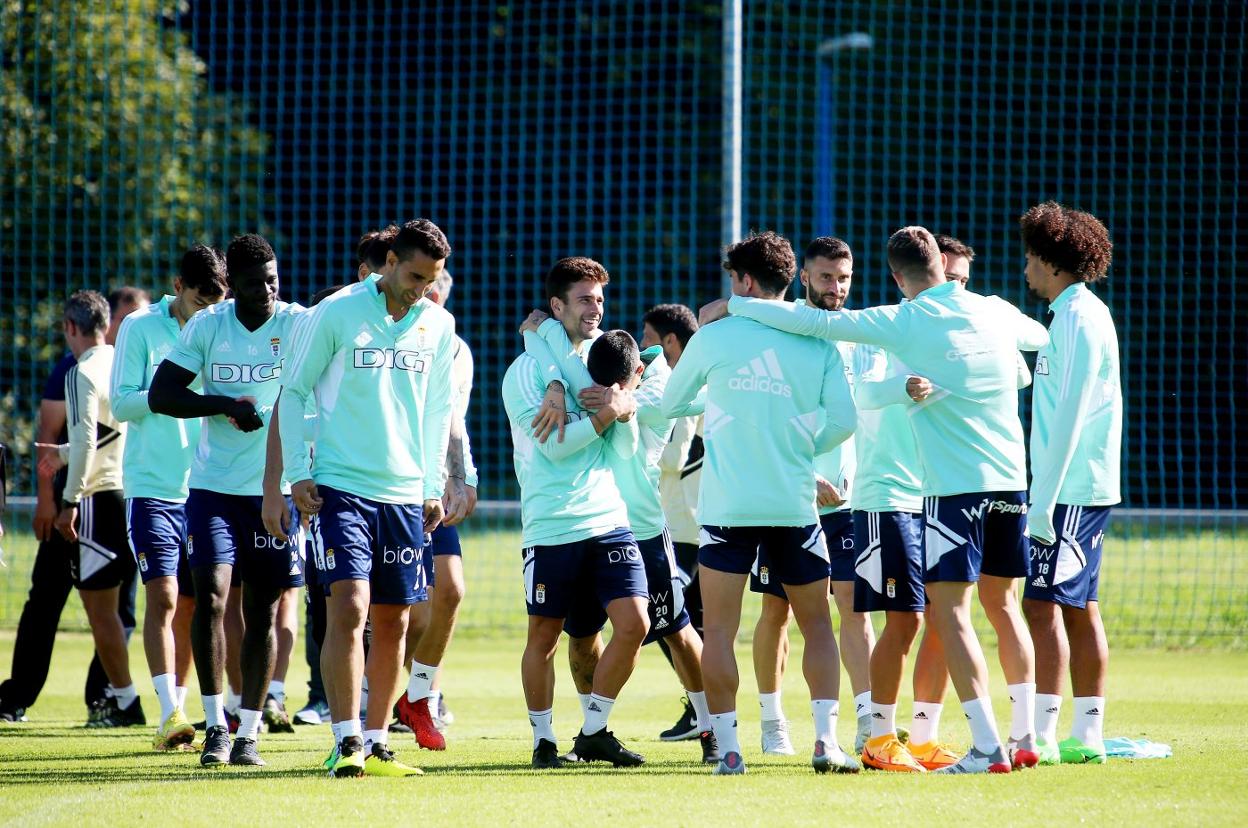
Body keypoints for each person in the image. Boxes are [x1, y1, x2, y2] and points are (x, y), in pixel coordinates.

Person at [725, 226, 1049, 774]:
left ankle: (978, 743)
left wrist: (738, 305)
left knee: (938, 615)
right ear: (945, 271)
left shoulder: (901, 319)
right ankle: (1007, 737)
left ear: (896, 278)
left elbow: (814, 322)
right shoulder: (992, 310)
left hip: (947, 491)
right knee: (936, 614)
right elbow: (1036, 341)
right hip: (1007, 482)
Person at [663, 231, 859, 776]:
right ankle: (826, 743)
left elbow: (674, 403)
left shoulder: (715, 337)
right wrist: (794, 444)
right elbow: (843, 422)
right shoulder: (816, 341)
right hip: (794, 503)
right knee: (818, 626)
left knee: (720, 632)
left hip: (728, 509)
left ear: (745, 282)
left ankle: (729, 751)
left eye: (733, 280)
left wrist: (729, 415)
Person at [277, 218, 456, 778]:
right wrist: (297, 472)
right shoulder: (336, 310)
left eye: (431, 279)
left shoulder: (440, 325)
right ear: (388, 263)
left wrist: (432, 486)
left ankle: (377, 743)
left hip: (406, 495)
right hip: (339, 487)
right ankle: (345, 738)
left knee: (395, 621)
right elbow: (294, 389)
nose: (421, 288)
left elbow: (435, 413)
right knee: (349, 607)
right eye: (413, 274)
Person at [521, 315, 717, 765]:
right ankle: (595, 730)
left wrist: (621, 404)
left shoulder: (658, 387)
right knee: (582, 634)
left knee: (677, 631)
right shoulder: (589, 375)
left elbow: (645, 425)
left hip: (644, 529)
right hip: (590, 525)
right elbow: (550, 341)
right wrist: (538, 335)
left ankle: (711, 727)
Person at [150, 233, 306, 767]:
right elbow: (162, 394)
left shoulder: (296, 324)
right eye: (254, 282)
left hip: (276, 491)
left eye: (273, 279)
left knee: (262, 608)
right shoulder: (208, 326)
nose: (266, 289)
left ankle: (249, 732)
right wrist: (224, 404)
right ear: (231, 286)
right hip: (213, 488)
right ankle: (216, 724)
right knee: (212, 596)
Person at [500, 256, 649, 769]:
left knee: (635, 623)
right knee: (543, 637)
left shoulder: (606, 366)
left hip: (608, 517)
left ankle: (593, 730)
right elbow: (555, 448)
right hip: (552, 524)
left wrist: (624, 408)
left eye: (600, 300)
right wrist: (609, 410)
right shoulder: (525, 374)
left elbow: (624, 454)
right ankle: (543, 743)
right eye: (585, 299)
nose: (596, 309)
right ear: (557, 305)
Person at [747, 237, 874, 756]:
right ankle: (773, 719)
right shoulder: (783, 329)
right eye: (826, 278)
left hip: (845, 503)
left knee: (853, 607)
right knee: (777, 612)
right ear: (804, 277)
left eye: (843, 279)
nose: (836, 288)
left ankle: (869, 721)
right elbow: (763, 416)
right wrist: (800, 475)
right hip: (786, 498)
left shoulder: (862, 336)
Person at [111, 247, 227, 749]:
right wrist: (171, 397)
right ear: (178, 285)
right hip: (152, 486)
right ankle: (168, 712)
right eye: (200, 300)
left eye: (213, 303)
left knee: (196, 605)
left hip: (204, 486)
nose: (205, 312)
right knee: (162, 595)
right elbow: (121, 402)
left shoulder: (220, 326)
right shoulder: (139, 327)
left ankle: (179, 708)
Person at [1019, 201, 1120, 766]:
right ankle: (1086, 735)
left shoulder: (1080, 317)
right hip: (1075, 487)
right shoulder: (1070, 314)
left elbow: (1074, 412)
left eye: (1031, 259)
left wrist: (1044, 500)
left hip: (1072, 490)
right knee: (1075, 607)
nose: (1026, 270)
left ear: (1051, 262)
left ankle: (1050, 735)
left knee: (1044, 605)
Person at [292, 228, 396, 728]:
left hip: (393, 492)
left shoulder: (423, 329)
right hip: (328, 490)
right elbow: (289, 404)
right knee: (337, 605)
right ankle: (335, 715)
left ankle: (378, 721)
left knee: (383, 614)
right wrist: (290, 477)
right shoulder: (327, 318)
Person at [50, 291, 141, 726]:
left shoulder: (80, 370)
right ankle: (172, 699)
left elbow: (88, 438)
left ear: (71, 327)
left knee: (100, 611)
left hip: (98, 497)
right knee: (138, 608)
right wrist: (63, 453)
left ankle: (125, 702)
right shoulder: (123, 362)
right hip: (138, 493)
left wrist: (68, 499)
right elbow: (110, 433)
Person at [397, 268, 478, 748]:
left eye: (437, 291)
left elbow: (452, 418)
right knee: (401, 612)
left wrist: (462, 477)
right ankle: (381, 694)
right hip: (387, 485)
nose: (430, 297)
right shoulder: (388, 339)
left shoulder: (455, 347)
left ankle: (421, 695)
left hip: (434, 487)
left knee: (450, 590)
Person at [640, 304, 708, 742]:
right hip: (695, 523)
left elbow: (673, 458)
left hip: (684, 527)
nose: (642, 347)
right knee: (689, 623)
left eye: (647, 338)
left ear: (668, 342)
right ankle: (706, 712)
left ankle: (705, 711)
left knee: (670, 622)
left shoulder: (681, 384)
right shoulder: (700, 376)